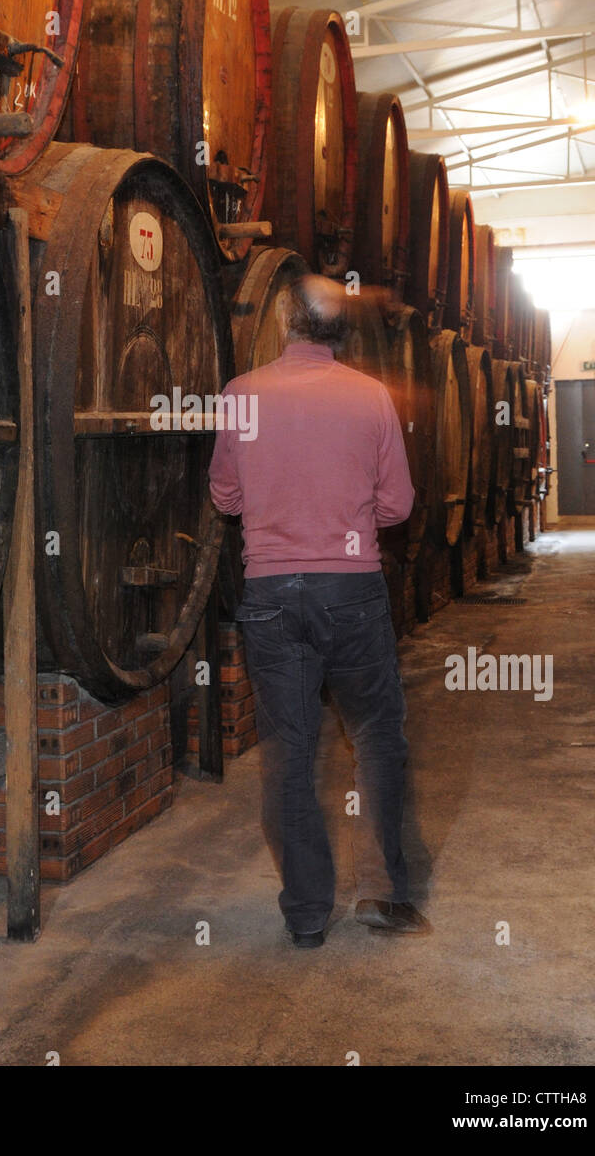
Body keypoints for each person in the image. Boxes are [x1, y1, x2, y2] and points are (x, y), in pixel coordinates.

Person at [208, 274, 431, 947]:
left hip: (272, 595)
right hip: (352, 592)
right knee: (375, 736)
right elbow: (399, 504)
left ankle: (306, 915)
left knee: (289, 752)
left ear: (284, 327)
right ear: (340, 333)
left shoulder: (241, 396)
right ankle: (380, 893)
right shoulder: (370, 398)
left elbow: (224, 497)